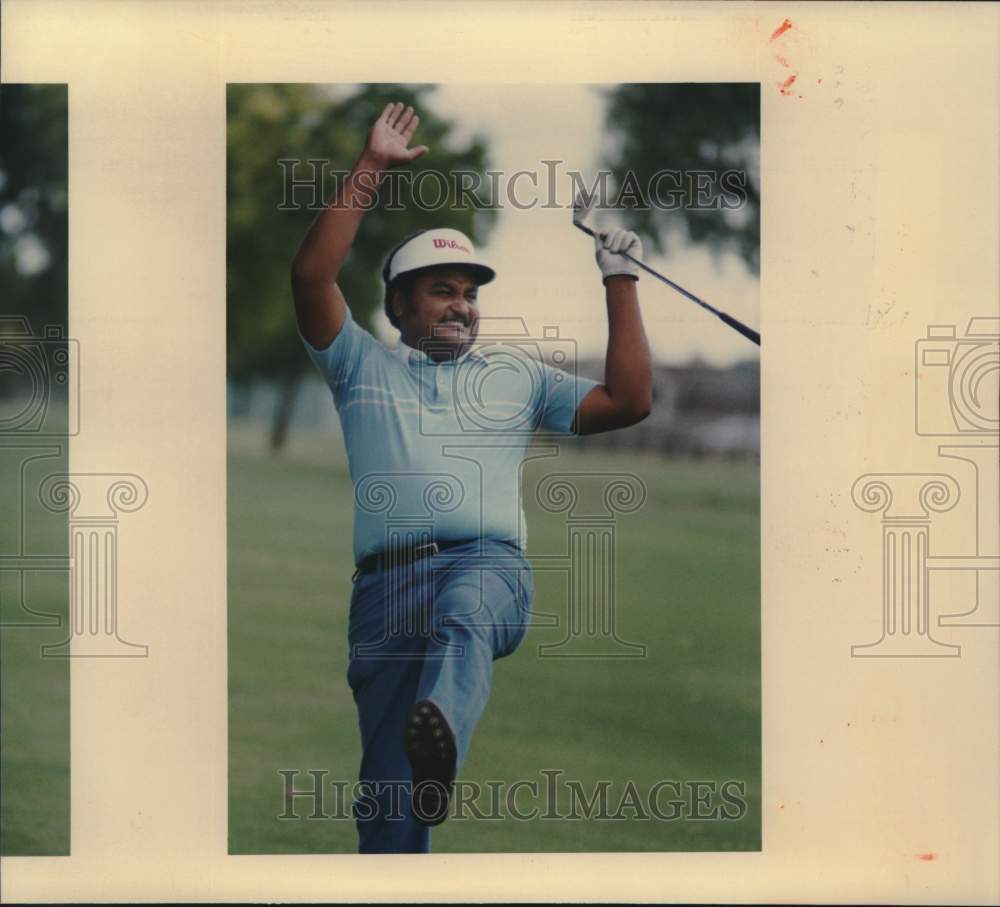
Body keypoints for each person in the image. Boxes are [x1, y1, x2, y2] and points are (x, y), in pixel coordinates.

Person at [291, 101, 652, 853]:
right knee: (388, 808)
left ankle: (444, 736)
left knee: (464, 613)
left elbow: (627, 401)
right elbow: (311, 273)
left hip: (486, 570)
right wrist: (372, 165)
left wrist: (620, 281)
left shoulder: (517, 373)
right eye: (441, 290)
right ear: (397, 305)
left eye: (470, 292)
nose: (462, 306)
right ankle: (417, 781)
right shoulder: (358, 365)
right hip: (384, 596)